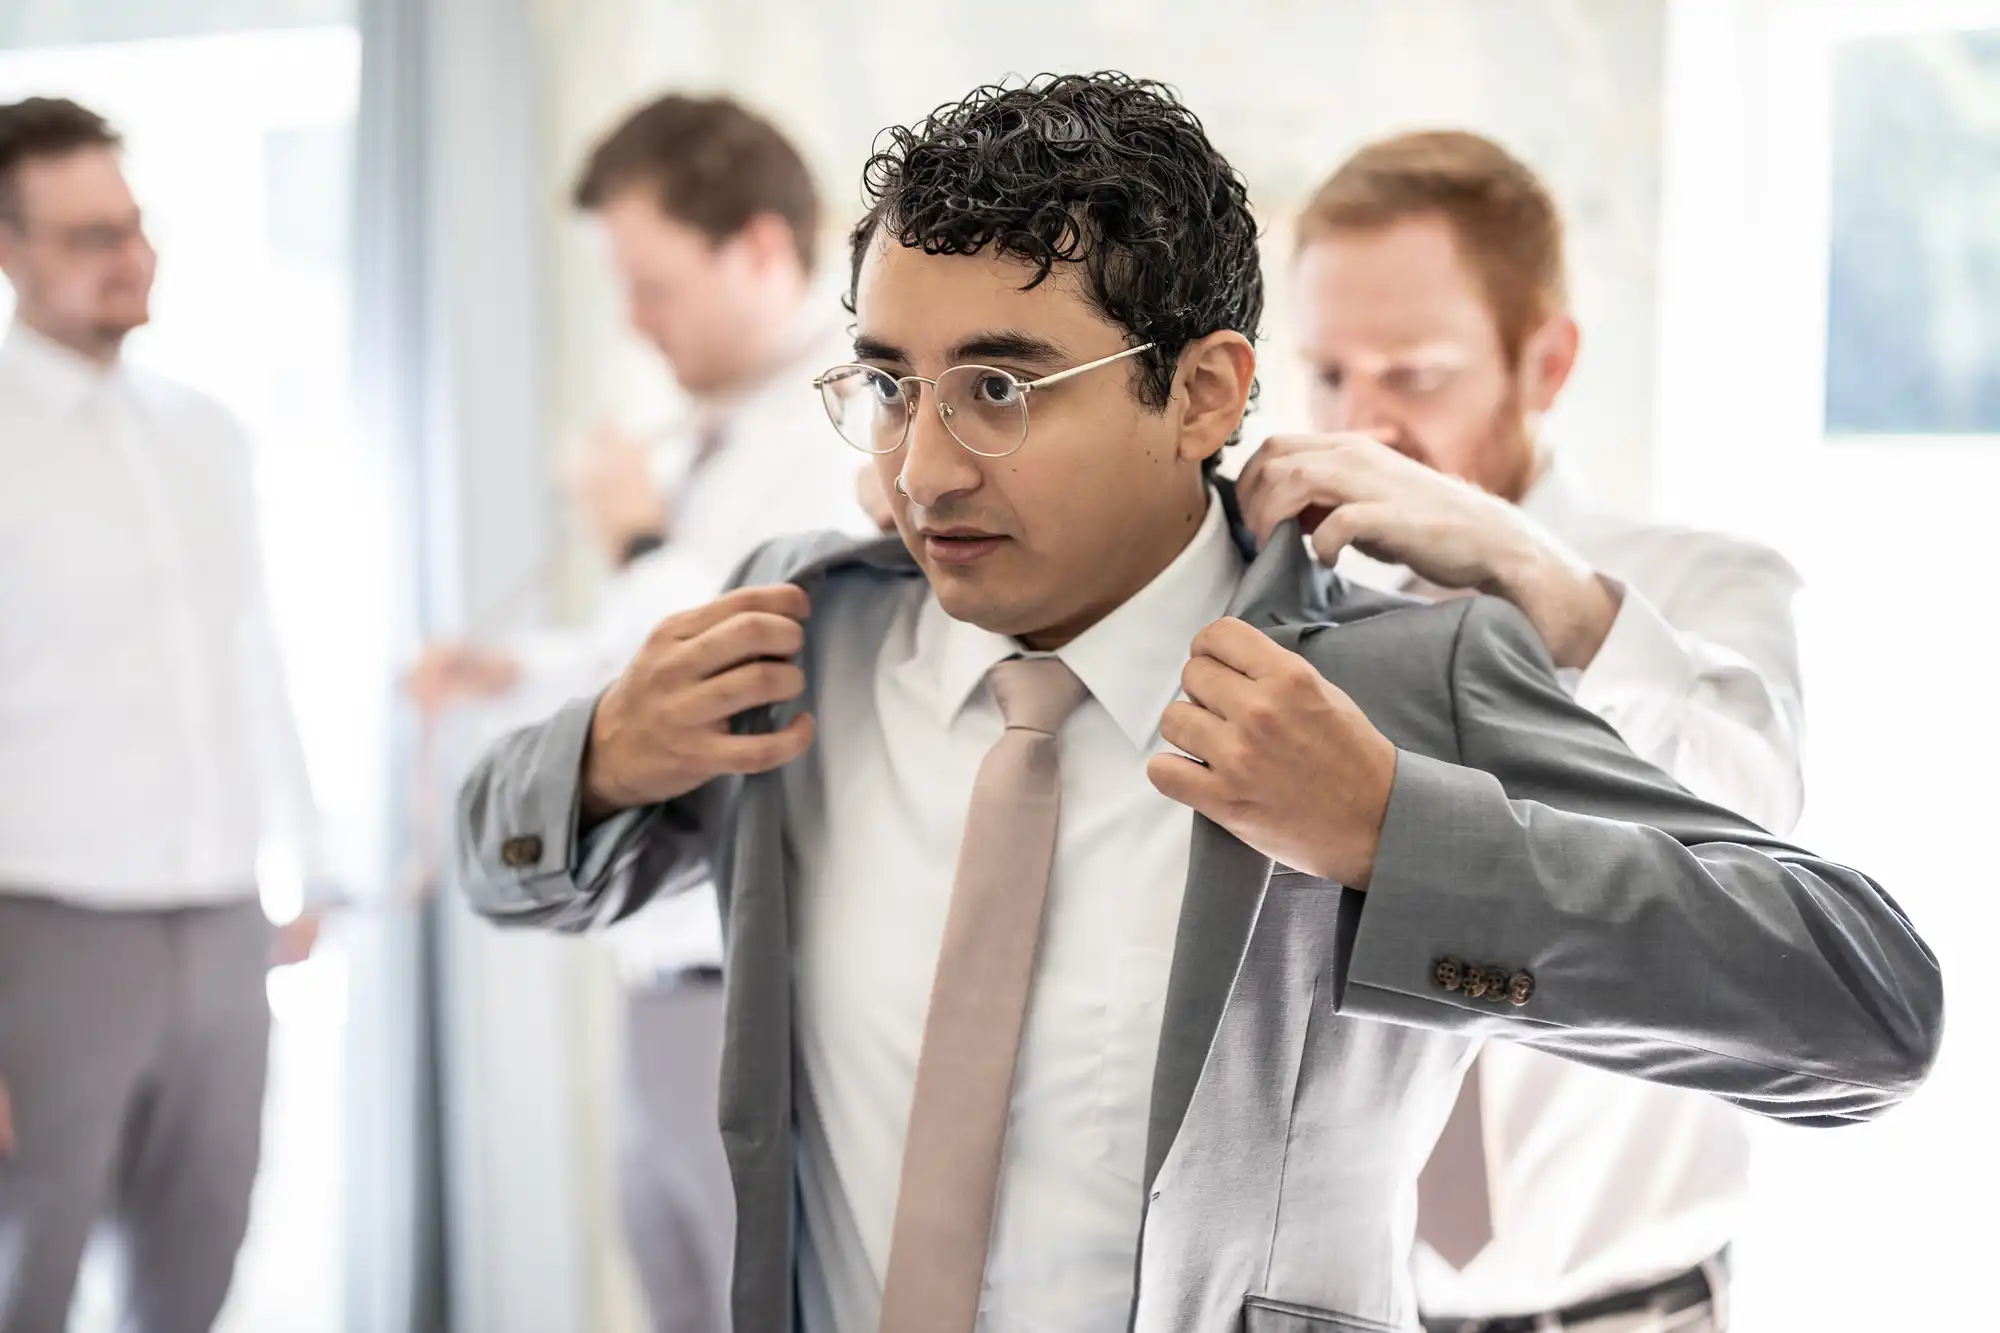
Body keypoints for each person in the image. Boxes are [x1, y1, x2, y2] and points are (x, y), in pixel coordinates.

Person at [453, 73, 1941, 1333]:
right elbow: (501, 871)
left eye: (1004, 388)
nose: (924, 468)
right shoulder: (803, 633)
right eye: (894, 384)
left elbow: (1863, 1014)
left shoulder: (1395, 679)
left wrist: (1391, 835)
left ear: (1209, 393)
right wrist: (593, 761)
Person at [1230, 129, 1807, 1333]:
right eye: (1330, 375)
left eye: (1414, 373)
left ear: (1545, 360)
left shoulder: (1700, 588)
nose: (1364, 424)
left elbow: (1752, 824)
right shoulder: (1289, 618)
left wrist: (1512, 562)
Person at [406, 93, 869, 1333]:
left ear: (762, 250)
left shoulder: (853, 430)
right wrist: (519, 668)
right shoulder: (714, 434)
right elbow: (638, 673)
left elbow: (746, 668)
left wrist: (635, 537)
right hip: (661, 971)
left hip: (764, 987)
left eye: (654, 284)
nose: (633, 321)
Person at [0, 98, 324, 1333]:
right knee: (26, 1273)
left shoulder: (204, 433)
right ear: (8, 249)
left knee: (200, 1261)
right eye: (89, 235)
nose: (129, 257)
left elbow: (251, 656)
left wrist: (312, 860)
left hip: (222, 925)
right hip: (42, 932)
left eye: (135, 225)